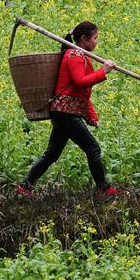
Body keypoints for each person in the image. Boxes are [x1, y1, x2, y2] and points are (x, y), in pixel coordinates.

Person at [17, 21, 123, 197]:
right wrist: (103, 71)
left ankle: (24, 187)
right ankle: (104, 189)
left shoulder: (80, 55)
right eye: (95, 38)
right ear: (83, 39)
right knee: (93, 148)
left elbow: (81, 92)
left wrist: (91, 115)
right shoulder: (74, 55)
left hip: (64, 113)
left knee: (52, 154)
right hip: (65, 113)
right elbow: (80, 81)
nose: (97, 42)